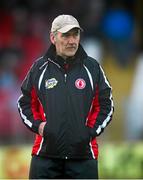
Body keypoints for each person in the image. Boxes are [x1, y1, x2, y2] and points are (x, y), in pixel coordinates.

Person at [17, 14, 114, 179]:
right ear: (53, 37)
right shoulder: (39, 68)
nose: (72, 41)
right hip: (45, 158)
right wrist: (39, 126)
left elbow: (106, 105)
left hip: (83, 159)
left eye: (75, 34)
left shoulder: (93, 68)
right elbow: (24, 103)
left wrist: (90, 132)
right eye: (66, 35)